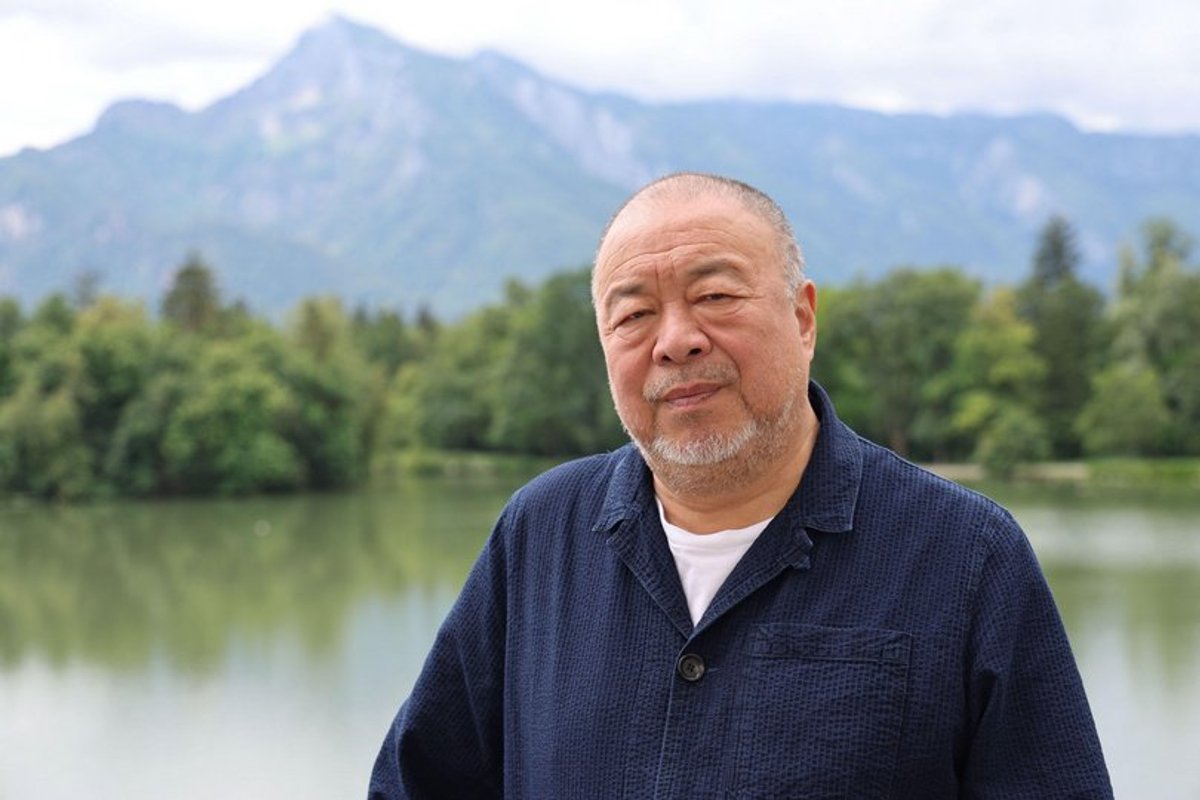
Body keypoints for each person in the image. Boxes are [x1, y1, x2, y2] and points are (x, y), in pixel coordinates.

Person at [369, 173, 1112, 799]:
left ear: (803, 318)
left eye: (716, 297)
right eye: (633, 315)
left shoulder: (966, 556)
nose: (675, 340)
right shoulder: (538, 536)